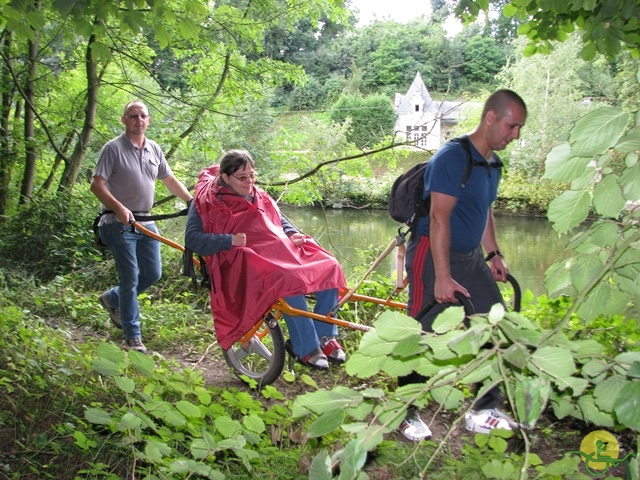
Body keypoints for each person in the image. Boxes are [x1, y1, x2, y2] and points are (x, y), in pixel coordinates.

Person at [398, 90, 527, 441]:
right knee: (422, 333)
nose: (515, 134)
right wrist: (442, 276)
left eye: (519, 128)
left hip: (470, 257)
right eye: (511, 125)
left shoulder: (492, 164)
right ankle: (405, 412)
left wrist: (494, 254)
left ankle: (483, 410)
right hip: (432, 252)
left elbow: (484, 210)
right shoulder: (453, 158)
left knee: (493, 324)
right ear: (490, 118)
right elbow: (440, 218)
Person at [184, 149, 347, 369]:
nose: (249, 181)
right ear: (225, 177)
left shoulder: (258, 194)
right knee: (287, 279)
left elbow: (277, 220)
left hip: (276, 250)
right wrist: (228, 240)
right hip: (240, 261)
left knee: (328, 266)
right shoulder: (206, 200)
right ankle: (305, 346)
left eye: (252, 175)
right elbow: (193, 238)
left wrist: (292, 234)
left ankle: (324, 334)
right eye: (242, 177)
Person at [91, 100, 193, 354]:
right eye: (133, 115)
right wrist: (118, 208)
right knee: (130, 277)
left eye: (143, 116)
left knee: (153, 273)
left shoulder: (154, 149)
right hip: (117, 222)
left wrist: (191, 201)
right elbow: (97, 184)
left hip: (145, 221)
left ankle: (112, 299)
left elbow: (168, 178)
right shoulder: (112, 149)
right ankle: (132, 335)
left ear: (149, 120)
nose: (138, 120)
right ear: (124, 120)